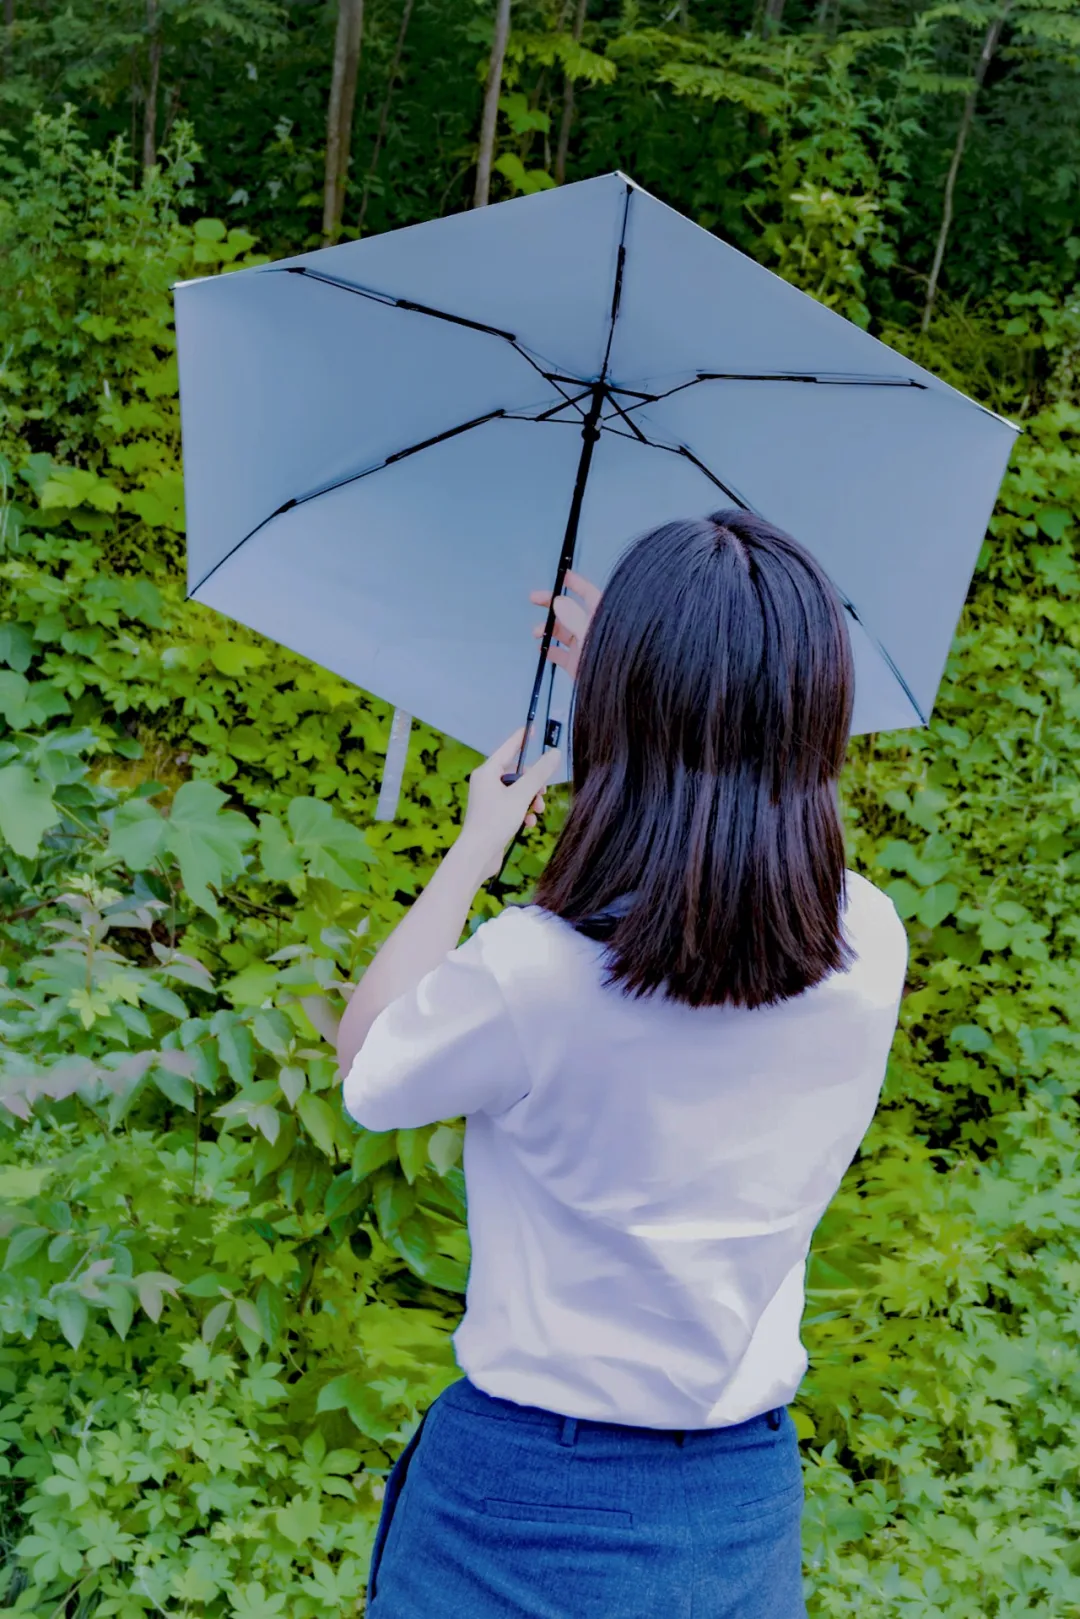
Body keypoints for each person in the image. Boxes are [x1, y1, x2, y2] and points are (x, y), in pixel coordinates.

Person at [336, 509, 908, 1619]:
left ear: (624, 711)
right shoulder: (870, 944)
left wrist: (475, 845)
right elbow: (733, 862)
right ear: (819, 714)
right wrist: (667, 677)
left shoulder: (537, 977)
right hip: (739, 1505)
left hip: (525, 1505)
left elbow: (369, 1063)